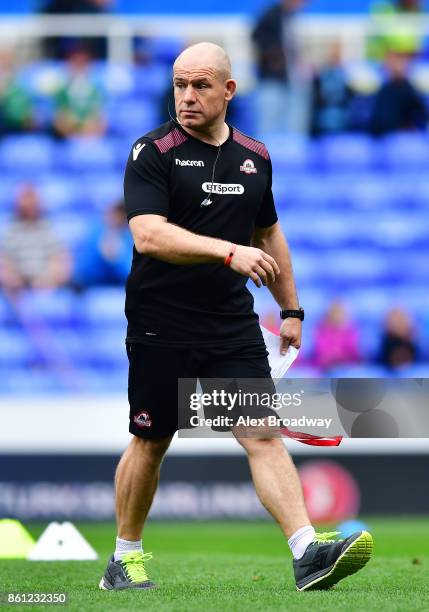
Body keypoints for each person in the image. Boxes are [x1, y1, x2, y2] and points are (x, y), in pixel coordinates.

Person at [99, 42, 373, 593]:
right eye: (180, 84)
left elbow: (268, 233)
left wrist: (290, 307)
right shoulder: (151, 151)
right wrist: (227, 251)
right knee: (151, 439)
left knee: (262, 434)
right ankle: (124, 557)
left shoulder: (256, 155)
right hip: (161, 321)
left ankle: (307, 554)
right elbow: (147, 233)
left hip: (230, 323)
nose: (187, 96)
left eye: (201, 85)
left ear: (229, 90)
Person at [251, 0, 310, 134]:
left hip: (292, 79)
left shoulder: (295, 19)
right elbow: (256, 37)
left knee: (294, 125)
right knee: (268, 124)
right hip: (272, 80)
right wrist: (274, 56)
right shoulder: (271, 15)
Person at [0, 184, 71, 292]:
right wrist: (13, 281)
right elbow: (4, 261)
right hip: (17, 286)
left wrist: (48, 280)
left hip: (46, 284)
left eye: (32, 198)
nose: (29, 203)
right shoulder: (8, 231)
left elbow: (61, 259)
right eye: (25, 198)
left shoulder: (50, 229)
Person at [73, 201, 133, 288]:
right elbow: (84, 271)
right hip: (92, 287)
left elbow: (129, 273)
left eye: (122, 217)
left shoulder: (127, 236)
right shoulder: (95, 231)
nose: (116, 219)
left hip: (119, 288)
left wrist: (117, 257)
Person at [371, 50, 428, 135]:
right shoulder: (383, 90)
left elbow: (421, 115)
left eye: (396, 62)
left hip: (403, 137)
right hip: (383, 137)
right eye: (389, 62)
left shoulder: (409, 90)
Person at [313, 302, 361, 371]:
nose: (337, 316)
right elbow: (322, 354)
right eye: (335, 313)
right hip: (324, 369)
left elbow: (354, 354)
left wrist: (339, 356)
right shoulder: (321, 330)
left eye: (340, 314)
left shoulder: (351, 331)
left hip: (347, 368)